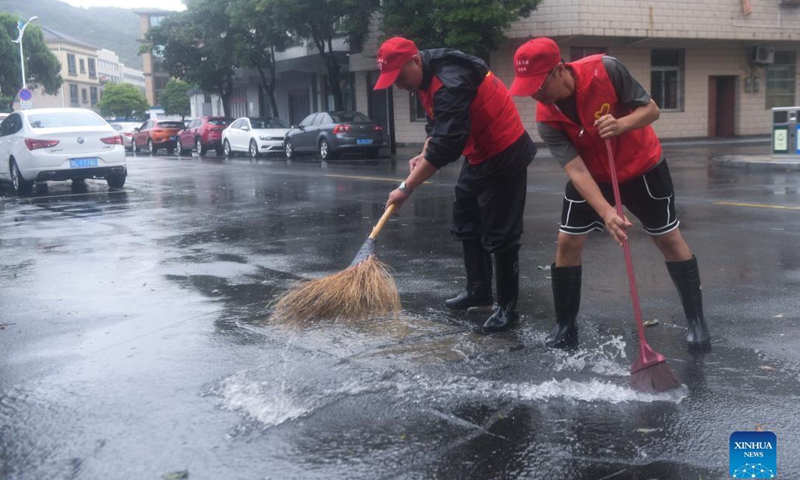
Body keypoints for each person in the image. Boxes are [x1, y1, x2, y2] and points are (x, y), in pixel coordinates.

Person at [508, 37, 711, 350]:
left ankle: (697, 321)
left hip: (641, 165)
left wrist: (621, 124)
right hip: (593, 174)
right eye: (529, 87)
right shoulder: (546, 118)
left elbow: (651, 110)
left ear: (559, 70)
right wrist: (605, 211)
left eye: (539, 85)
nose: (536, 93)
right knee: (567, 241)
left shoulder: (605, 69)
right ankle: (565, 325)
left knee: (668, 238)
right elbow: (575, 170)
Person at [374, 37, 537, 333]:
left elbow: (448, 144)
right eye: (392, 80)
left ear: (415, 60)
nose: (398, 85)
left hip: (505, 150)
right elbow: (439, 126)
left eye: (399, 77)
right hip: (479, 153)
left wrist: (406, 187)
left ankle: (507, 308)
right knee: (466, 214)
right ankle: (479, 291)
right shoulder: (425, 77)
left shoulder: (449, 80)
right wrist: (425, 150)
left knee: (501, 232)